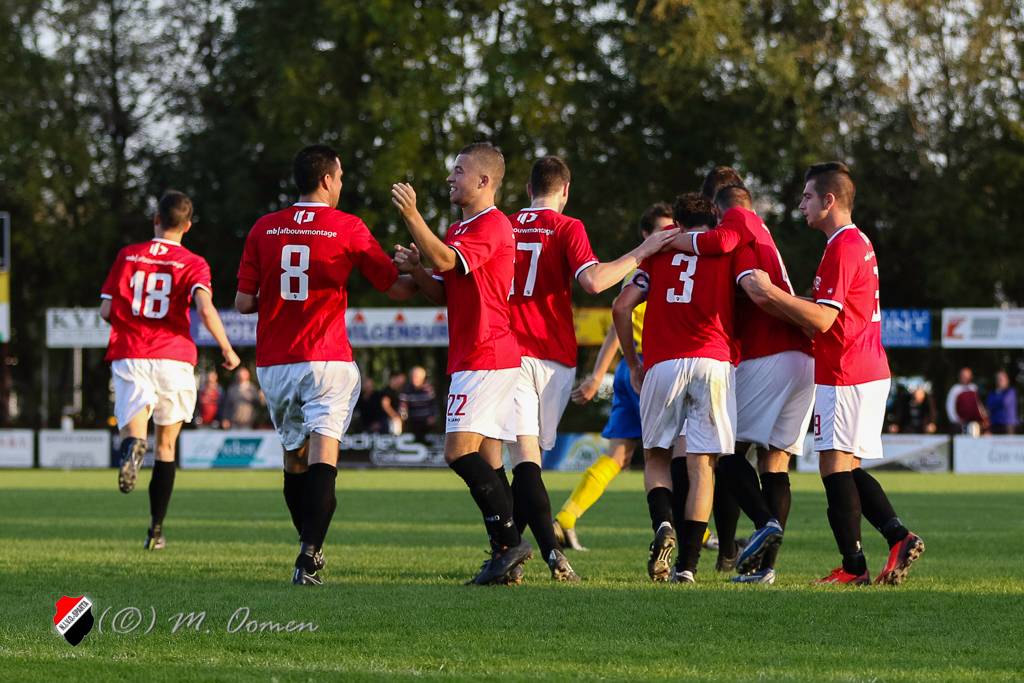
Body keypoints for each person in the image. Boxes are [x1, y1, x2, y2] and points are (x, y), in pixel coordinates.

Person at [235, 144, 417, 585]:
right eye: (340, 177)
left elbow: (243, 302)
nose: (341, 184)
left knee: (294, 460)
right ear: (326, 180)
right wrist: (425, 271)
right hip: (326, 358)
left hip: (276, 362)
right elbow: (396, 288)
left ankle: (308, 548)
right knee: (323, 456)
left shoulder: (264, 228)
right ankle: (309, 554)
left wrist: (277, 299)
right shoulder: (346, 226)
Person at [744, 161, 925, 585]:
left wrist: (770, 294)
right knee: (844, 466)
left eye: (808, 197)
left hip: (846, 370)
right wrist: (783, 304)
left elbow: (824, 320)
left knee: (834, 467)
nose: (801, 205)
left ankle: (858, 563)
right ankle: (892, 540)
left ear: (829, 200)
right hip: (865, 366)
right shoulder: (856, 241)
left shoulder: (842, 245)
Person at [503, 156, 679, 582]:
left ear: (528, 189)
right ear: (566, 190)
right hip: (554, 357)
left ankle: (512, 548)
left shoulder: (503, 224)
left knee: (521, 461)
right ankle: (527, 551)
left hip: (506, 351)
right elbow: (595, 282)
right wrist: (641, 253)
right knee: (530, 459)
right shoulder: (567, 227)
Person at [391, 142, 531, 585]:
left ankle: (511, 543)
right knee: (489, 458)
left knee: (457, 452)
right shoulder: (459, 228)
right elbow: (443, 290)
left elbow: (446, 260)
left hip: (486, 353)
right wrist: (417, 270)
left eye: (459, 170)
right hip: (480, 353)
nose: (450, 178)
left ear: (484, 181)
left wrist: (412, 216)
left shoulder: (492, 224)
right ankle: (505, 556)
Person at [687, 183, 815, 585]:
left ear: (716, 208)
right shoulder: (762, 231)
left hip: (768, 353)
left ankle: (758, 527)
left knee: (723, 450)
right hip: (802, 357)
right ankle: (764, 568)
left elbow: (757, 292)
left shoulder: (737, 225)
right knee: (775, 462)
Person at [612, 192, 743, 584]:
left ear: (678, 223)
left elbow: (621, 306)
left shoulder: (659, 252)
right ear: (714, 219)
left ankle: (664, 524)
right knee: (702, 466)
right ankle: (687, 566)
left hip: (663, 363)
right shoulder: (725, 250)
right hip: (713, 361)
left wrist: (633, 363)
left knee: (656, 457)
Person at [100, 190, 241, 550]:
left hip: (132, 352)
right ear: (188, 225)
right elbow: (205, 309)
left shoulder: (128, 255)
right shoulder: (193, 263)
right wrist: (227, 349)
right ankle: (156, 530)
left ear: (156, 219)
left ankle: (133, 447)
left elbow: (106, 311)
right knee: (166, 447)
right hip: (175, 357)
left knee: (136, 430)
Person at [554, 203, 673, 551]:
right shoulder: (655, 269)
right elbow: (619, 320)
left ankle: (566, 517)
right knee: (668, 457)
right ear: (646, 235)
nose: (667, 237)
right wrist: (597, 375)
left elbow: (614, 327)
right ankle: (698, 533)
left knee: (619, 455)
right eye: (661, 231)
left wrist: (596, 375)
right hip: (648, 370)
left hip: (628, 369)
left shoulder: (634, 271)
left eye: (673, 230)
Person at [401, 366, 438, 441]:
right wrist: (403, 417)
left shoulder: (429, 389)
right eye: (413, 376)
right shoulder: (406, 389)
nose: (414, 378)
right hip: (412, 421)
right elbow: (403, 406)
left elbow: (433, 404)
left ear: (422, 378)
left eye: (417, 377)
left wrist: (433, 416)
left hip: (426, 421)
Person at [946, 367, 987, 435]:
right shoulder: (955, 389)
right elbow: (950, 406)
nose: (965, 378)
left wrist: (984, 418)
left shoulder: (974, 388)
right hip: (959, 424)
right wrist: (955, 420)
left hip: (974, 424)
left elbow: (979, 404)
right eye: (963, 376)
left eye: (967, 376)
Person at [986, 370, 1018, 434]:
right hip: (994, 424)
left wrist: (994, 402)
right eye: (998, 379)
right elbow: (989, 405)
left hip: (1008, 425)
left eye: (1002, 379)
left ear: (1007, 380)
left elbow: (1004, 402)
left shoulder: (1011, 391)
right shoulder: (992, 393)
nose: (1000, 381)